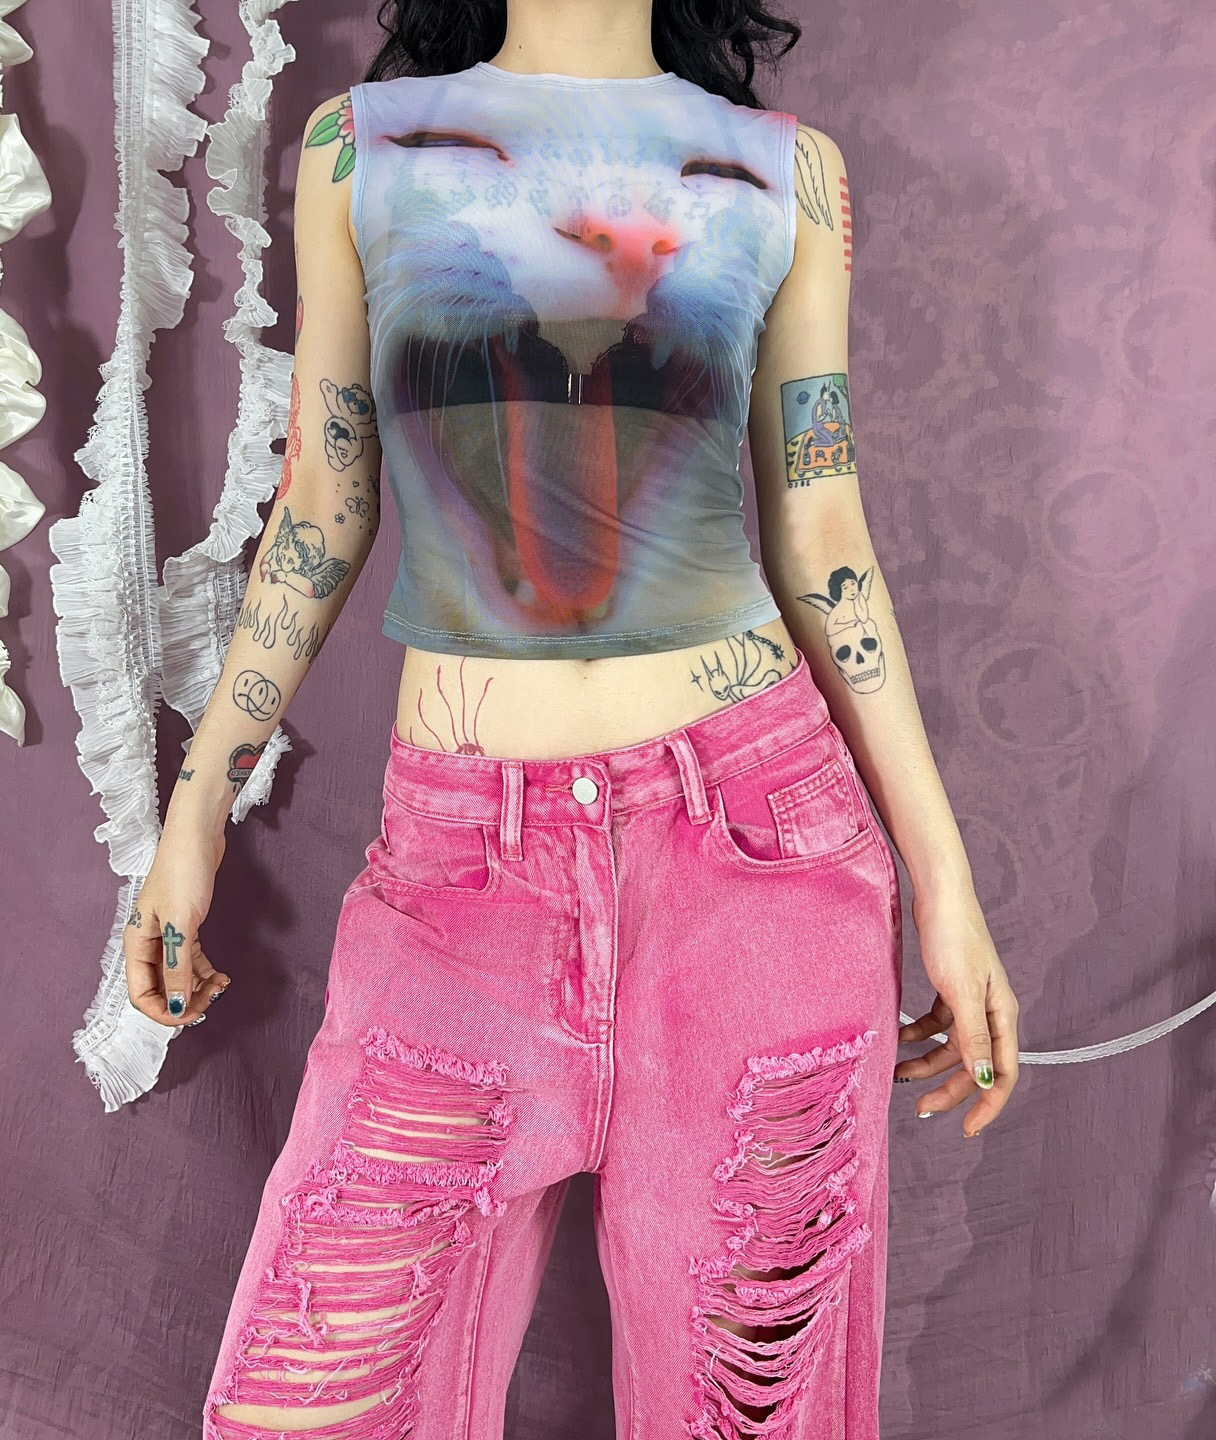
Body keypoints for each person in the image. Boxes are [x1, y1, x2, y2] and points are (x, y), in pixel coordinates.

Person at [124, 2, 1021, 1435]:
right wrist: (194, 819)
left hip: (756, 854)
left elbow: (823, 529)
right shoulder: (362, 154)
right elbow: (322, 506)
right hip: (461, 871)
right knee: (314, 1397)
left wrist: (946, 885)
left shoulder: (784, 173)